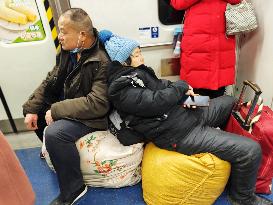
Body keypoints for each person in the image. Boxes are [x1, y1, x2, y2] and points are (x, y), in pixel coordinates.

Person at [99, 30, 273, 205]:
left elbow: (163, 85)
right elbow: (157, 101)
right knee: (251, 150)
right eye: (137, 55)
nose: (142, 58)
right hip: (179, 133)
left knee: (229, 101)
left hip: (185, 111)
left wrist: (187, 92)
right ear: (124, 62)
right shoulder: (121, 90)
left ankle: (226, 145)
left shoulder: (138, 73)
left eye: (140, 53)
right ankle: (243, 198)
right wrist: (182, 86)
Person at [23, 8, 110, 205]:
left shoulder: (101, 61)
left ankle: (75, 188)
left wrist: (56, 110)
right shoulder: (68, 51)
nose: (59, 36)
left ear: (82, 35)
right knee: (33, 111)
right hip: (70, 105)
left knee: (55, 133)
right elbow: (51, 79)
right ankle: (54, 151)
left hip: (91, 115)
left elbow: (97, 104)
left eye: (63, 31)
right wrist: (31, 107)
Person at [170, 0, 241, 98]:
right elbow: (177, 3)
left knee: (217, 96)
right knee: (196, 96)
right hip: (197, 41)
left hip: (221, 40)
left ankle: (215, 111)